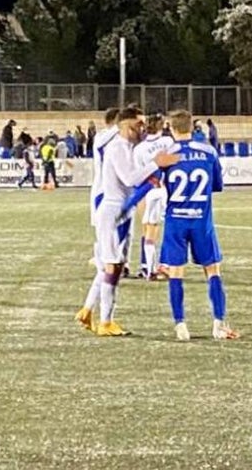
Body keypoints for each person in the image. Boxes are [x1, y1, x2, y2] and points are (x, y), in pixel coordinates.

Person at [90, 106, 179, 337]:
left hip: (120, 209)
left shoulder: (129, 147)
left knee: (114, 265)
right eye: (138, 124)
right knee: (111, 265)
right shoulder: (118, 147)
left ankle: (92, 313)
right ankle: (105, 322)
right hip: (111, 210)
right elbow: (129, 178)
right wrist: (157, 163)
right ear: (125, 126)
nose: (142, 127)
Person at [159, 109, 240, 341]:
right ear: (192, 128)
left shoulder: (167, 154)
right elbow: (217, 186)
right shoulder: (208, 151)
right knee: (212, 270)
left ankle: (181, 326)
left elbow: (156, 181)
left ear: (171, 129)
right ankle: (218, 324)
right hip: (202, 220)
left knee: (176, 272)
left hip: (175, 220)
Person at [76, 108, 119, 332]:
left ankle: (88, 310)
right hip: (107, 202)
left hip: (106, 201)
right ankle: (104, 320)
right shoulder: (107, 138)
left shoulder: (108, 139)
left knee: (107, 264)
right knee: (110, 265)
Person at [133, 114, 176, 280]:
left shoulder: (139, 149)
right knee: (162, 228)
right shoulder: (168, 142)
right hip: (164, 189)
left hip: (148, 190)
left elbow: (138, 174)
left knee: (148, 229)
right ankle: (158, 268)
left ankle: (148, 267)